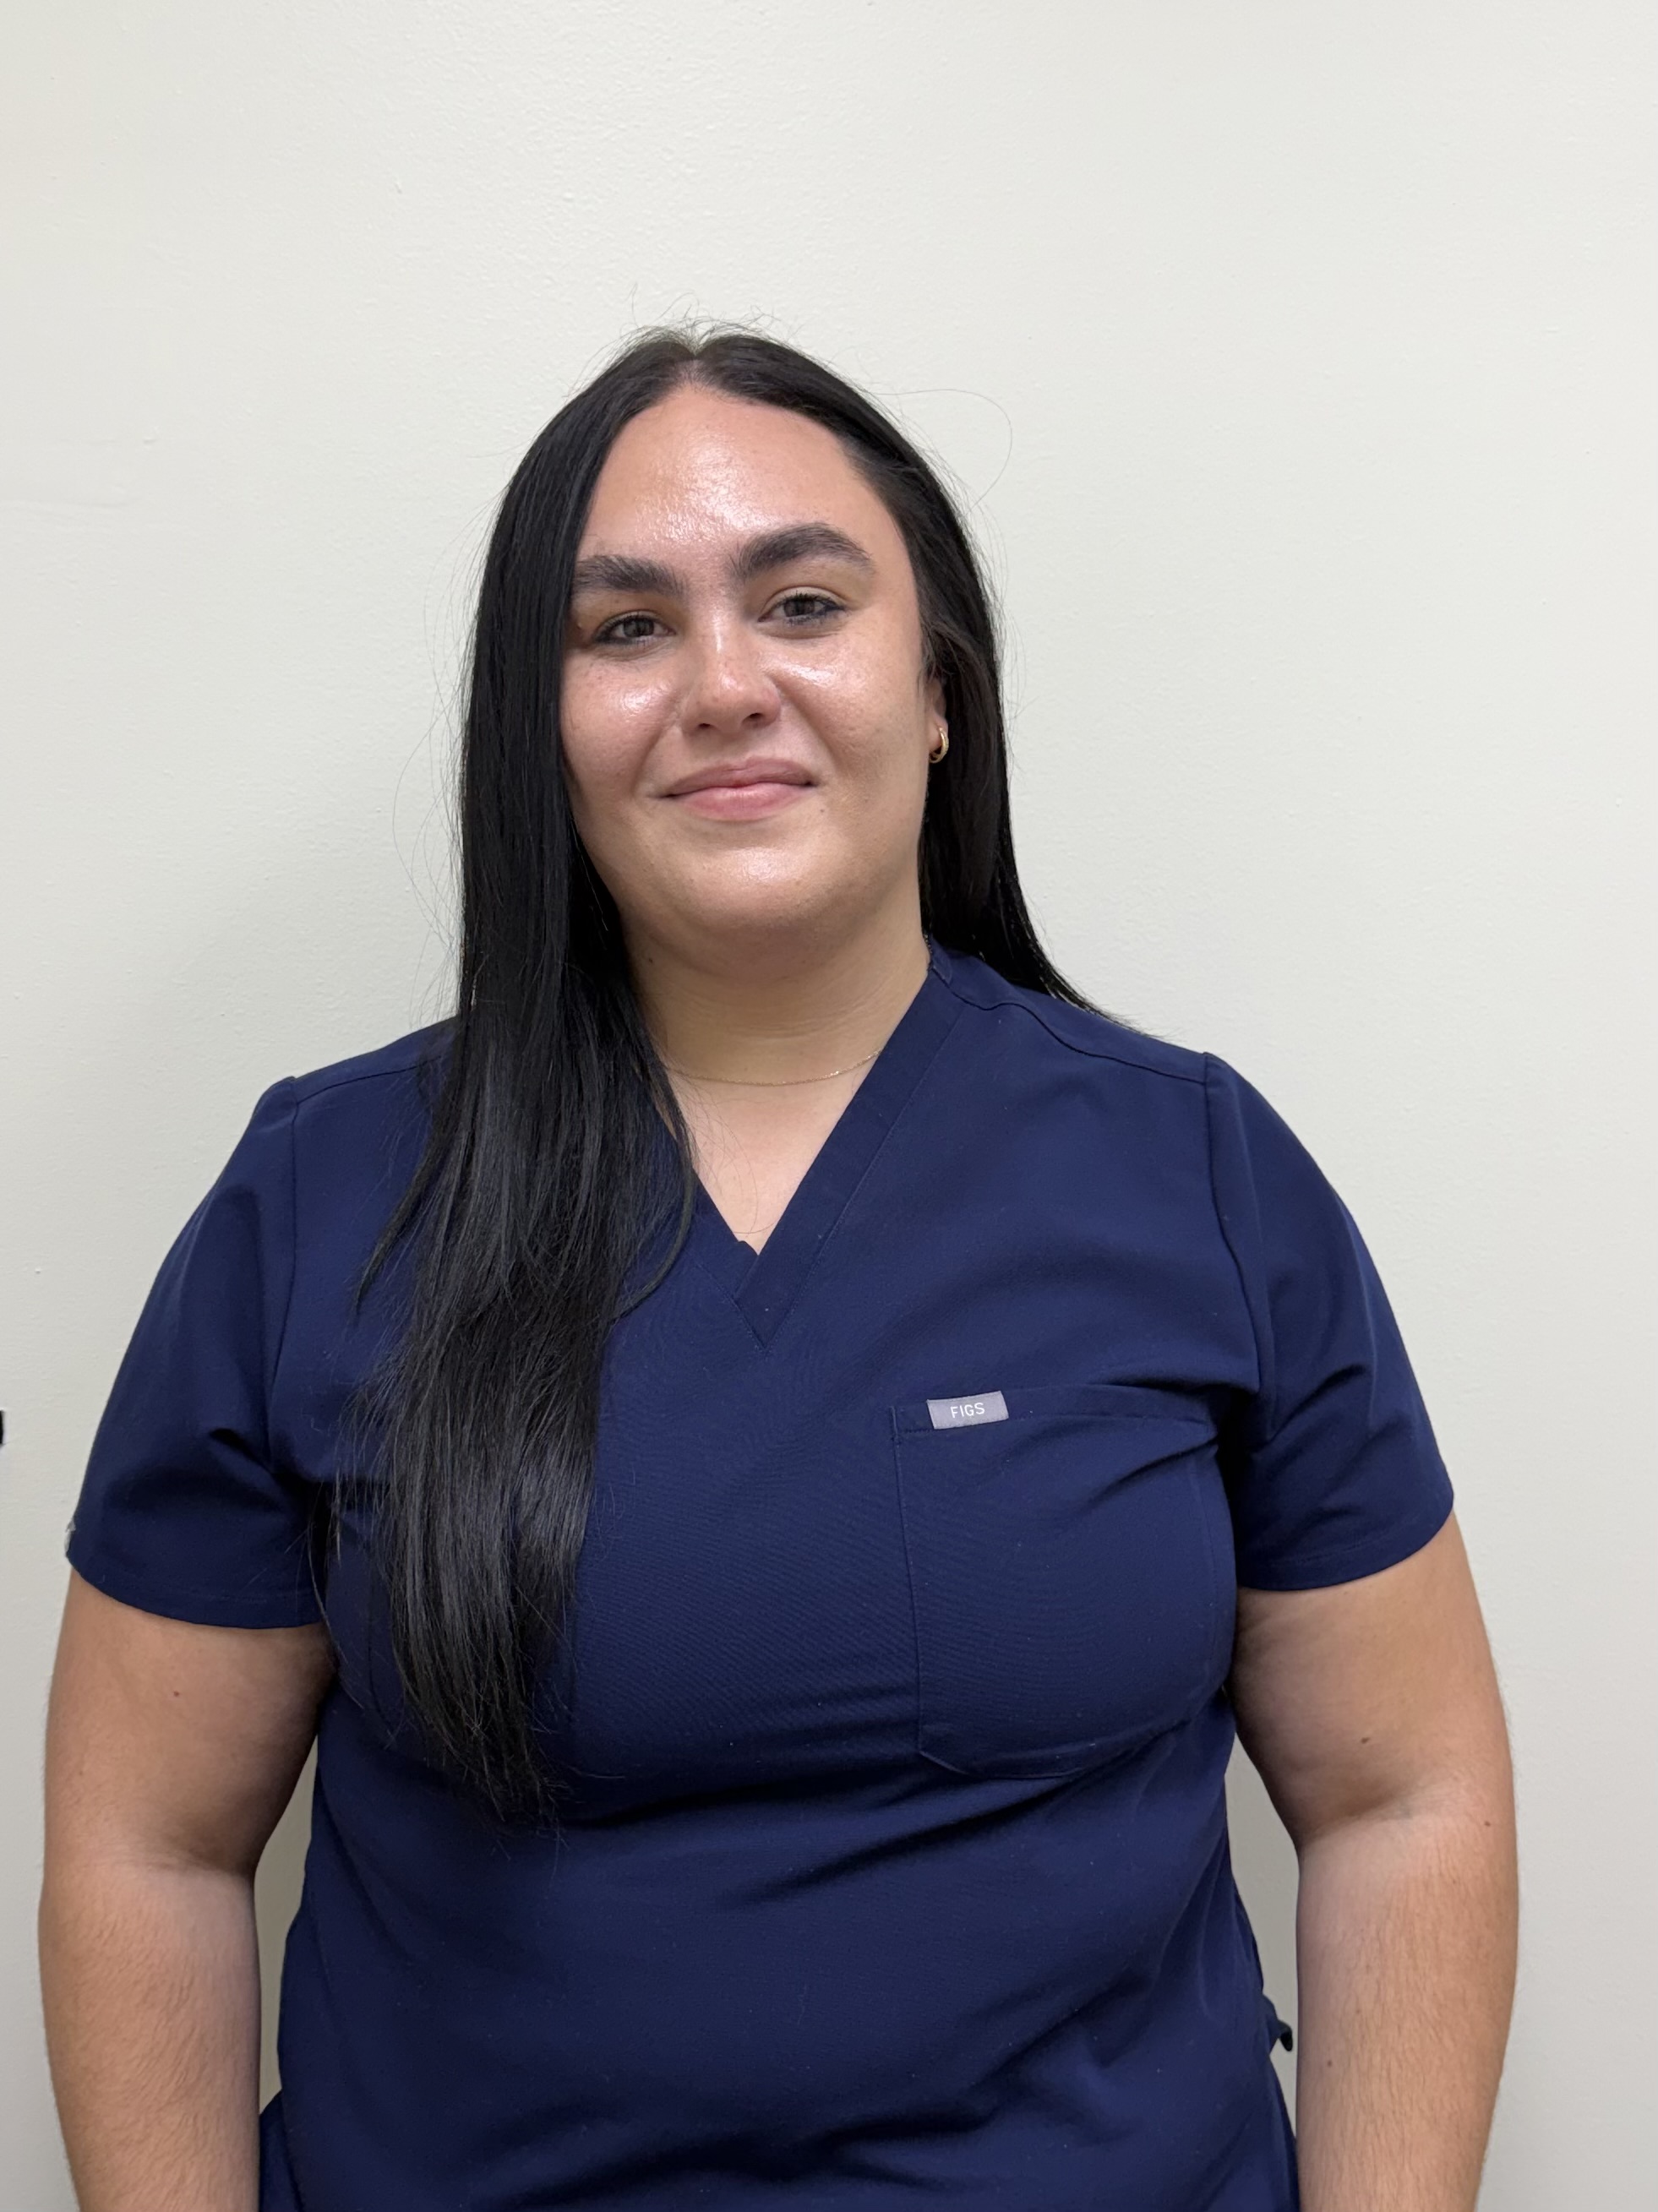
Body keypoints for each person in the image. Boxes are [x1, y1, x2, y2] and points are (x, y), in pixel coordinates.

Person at [39, 328, 1517, 2212]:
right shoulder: (324, 1199)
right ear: (540, 725)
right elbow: (145, 1848)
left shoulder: (1197, 1174)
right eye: (625, 629)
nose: (724, 684)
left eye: (804, 600)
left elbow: (1411, 1796)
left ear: (936, 693)